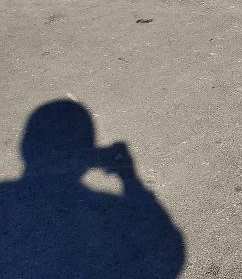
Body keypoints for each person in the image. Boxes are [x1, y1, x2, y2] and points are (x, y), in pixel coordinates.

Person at [0, 100, 185, 279]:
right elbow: (169, 252)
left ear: (25, 148)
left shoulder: (5, 198)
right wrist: (130, 179)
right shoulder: (113, 213)